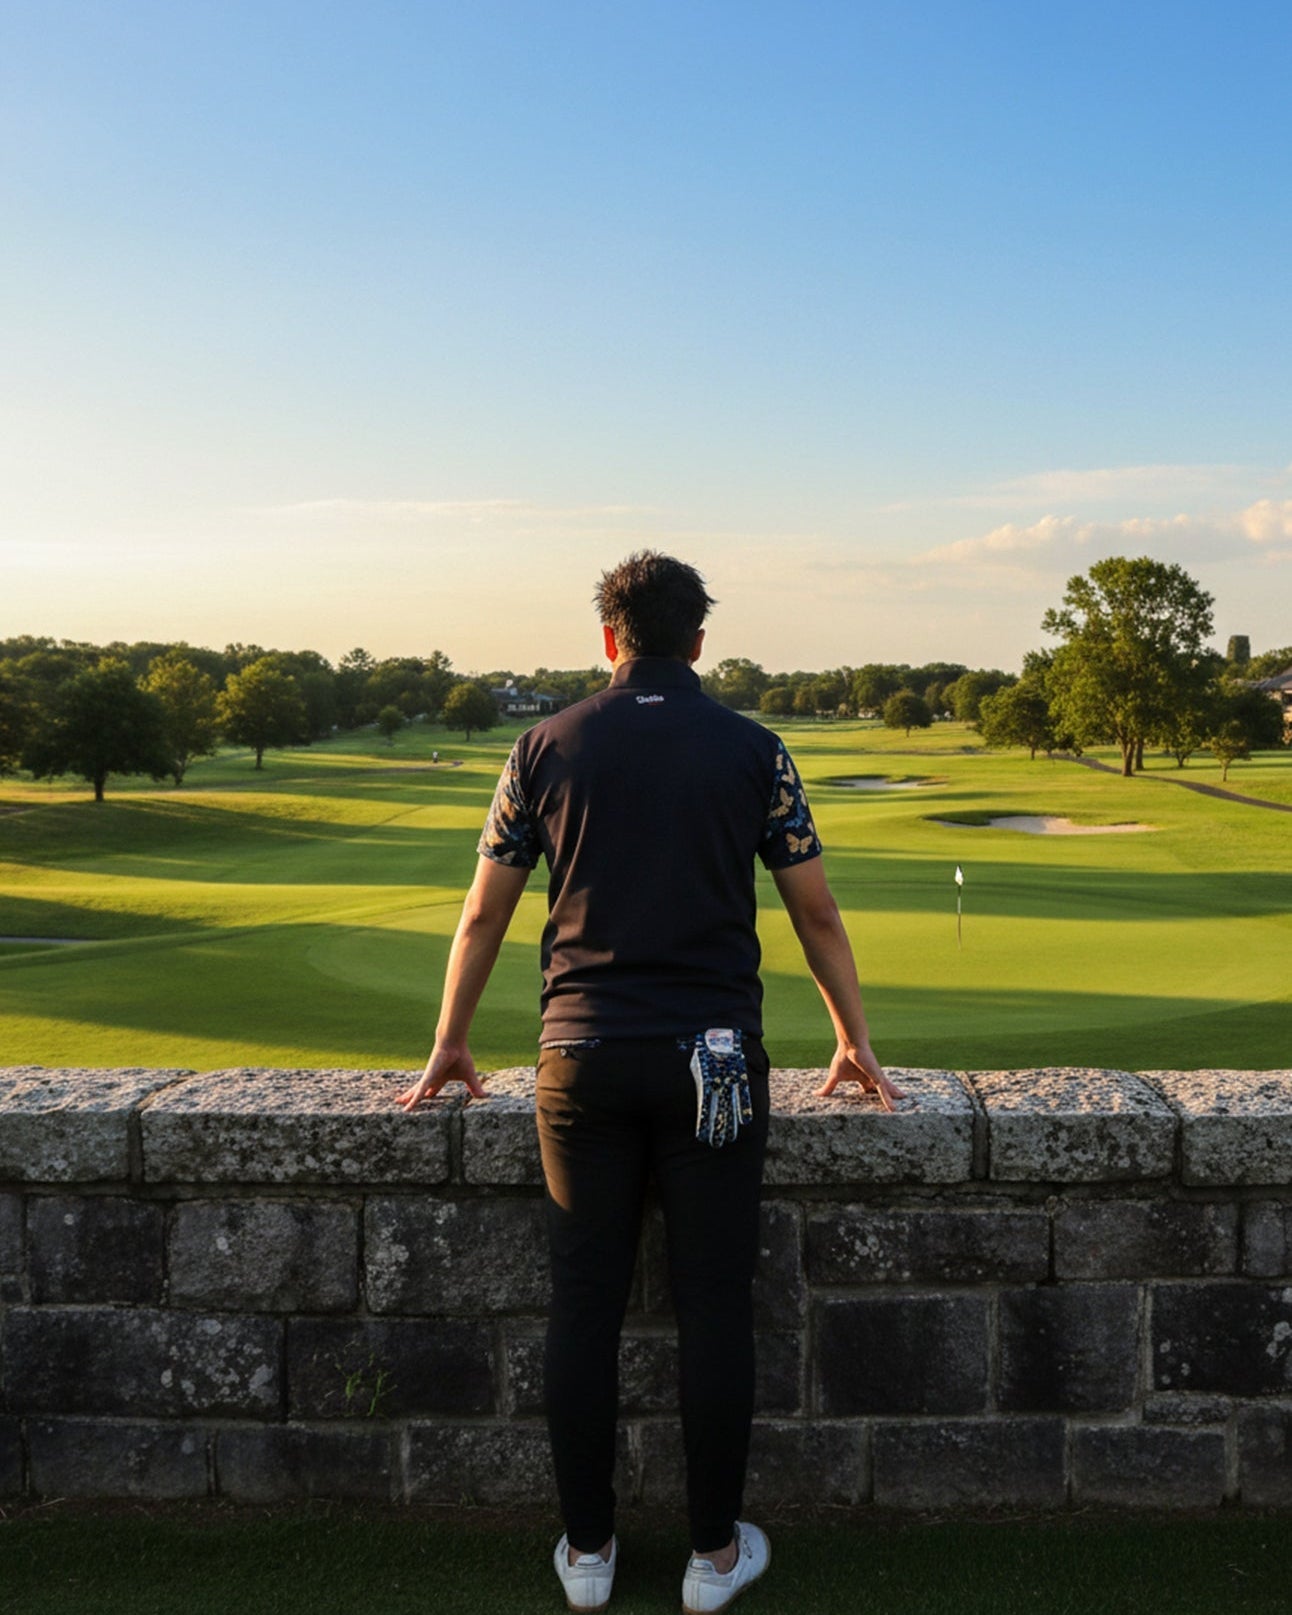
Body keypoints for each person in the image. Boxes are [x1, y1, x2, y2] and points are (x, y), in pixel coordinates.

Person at [398, 551, 901, 1613]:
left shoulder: (541, 746)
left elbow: (483, 913)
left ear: (609, 639)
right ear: (699, 641)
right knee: (713, 1305)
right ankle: (712, 1558)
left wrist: (450, 1038)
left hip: (576, 1058)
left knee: (584, 1305)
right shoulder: (753, 748)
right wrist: (850, 1035)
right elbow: (815, 911)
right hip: (714, 1062)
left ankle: (587, 1555)